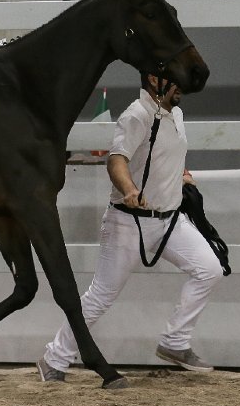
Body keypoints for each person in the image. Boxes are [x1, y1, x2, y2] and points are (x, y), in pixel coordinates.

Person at [37, 72, 224, 382]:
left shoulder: (175, 114)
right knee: (101, 296)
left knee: (210, 269)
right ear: (154, 79)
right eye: (175, 80)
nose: (182, 86)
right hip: (128, 221)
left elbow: (168, 155)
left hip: (170, 221)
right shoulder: (136, 115)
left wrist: (183, 175)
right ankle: (54, 358)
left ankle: (175, 342)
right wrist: (129, 189)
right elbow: (117, 160)